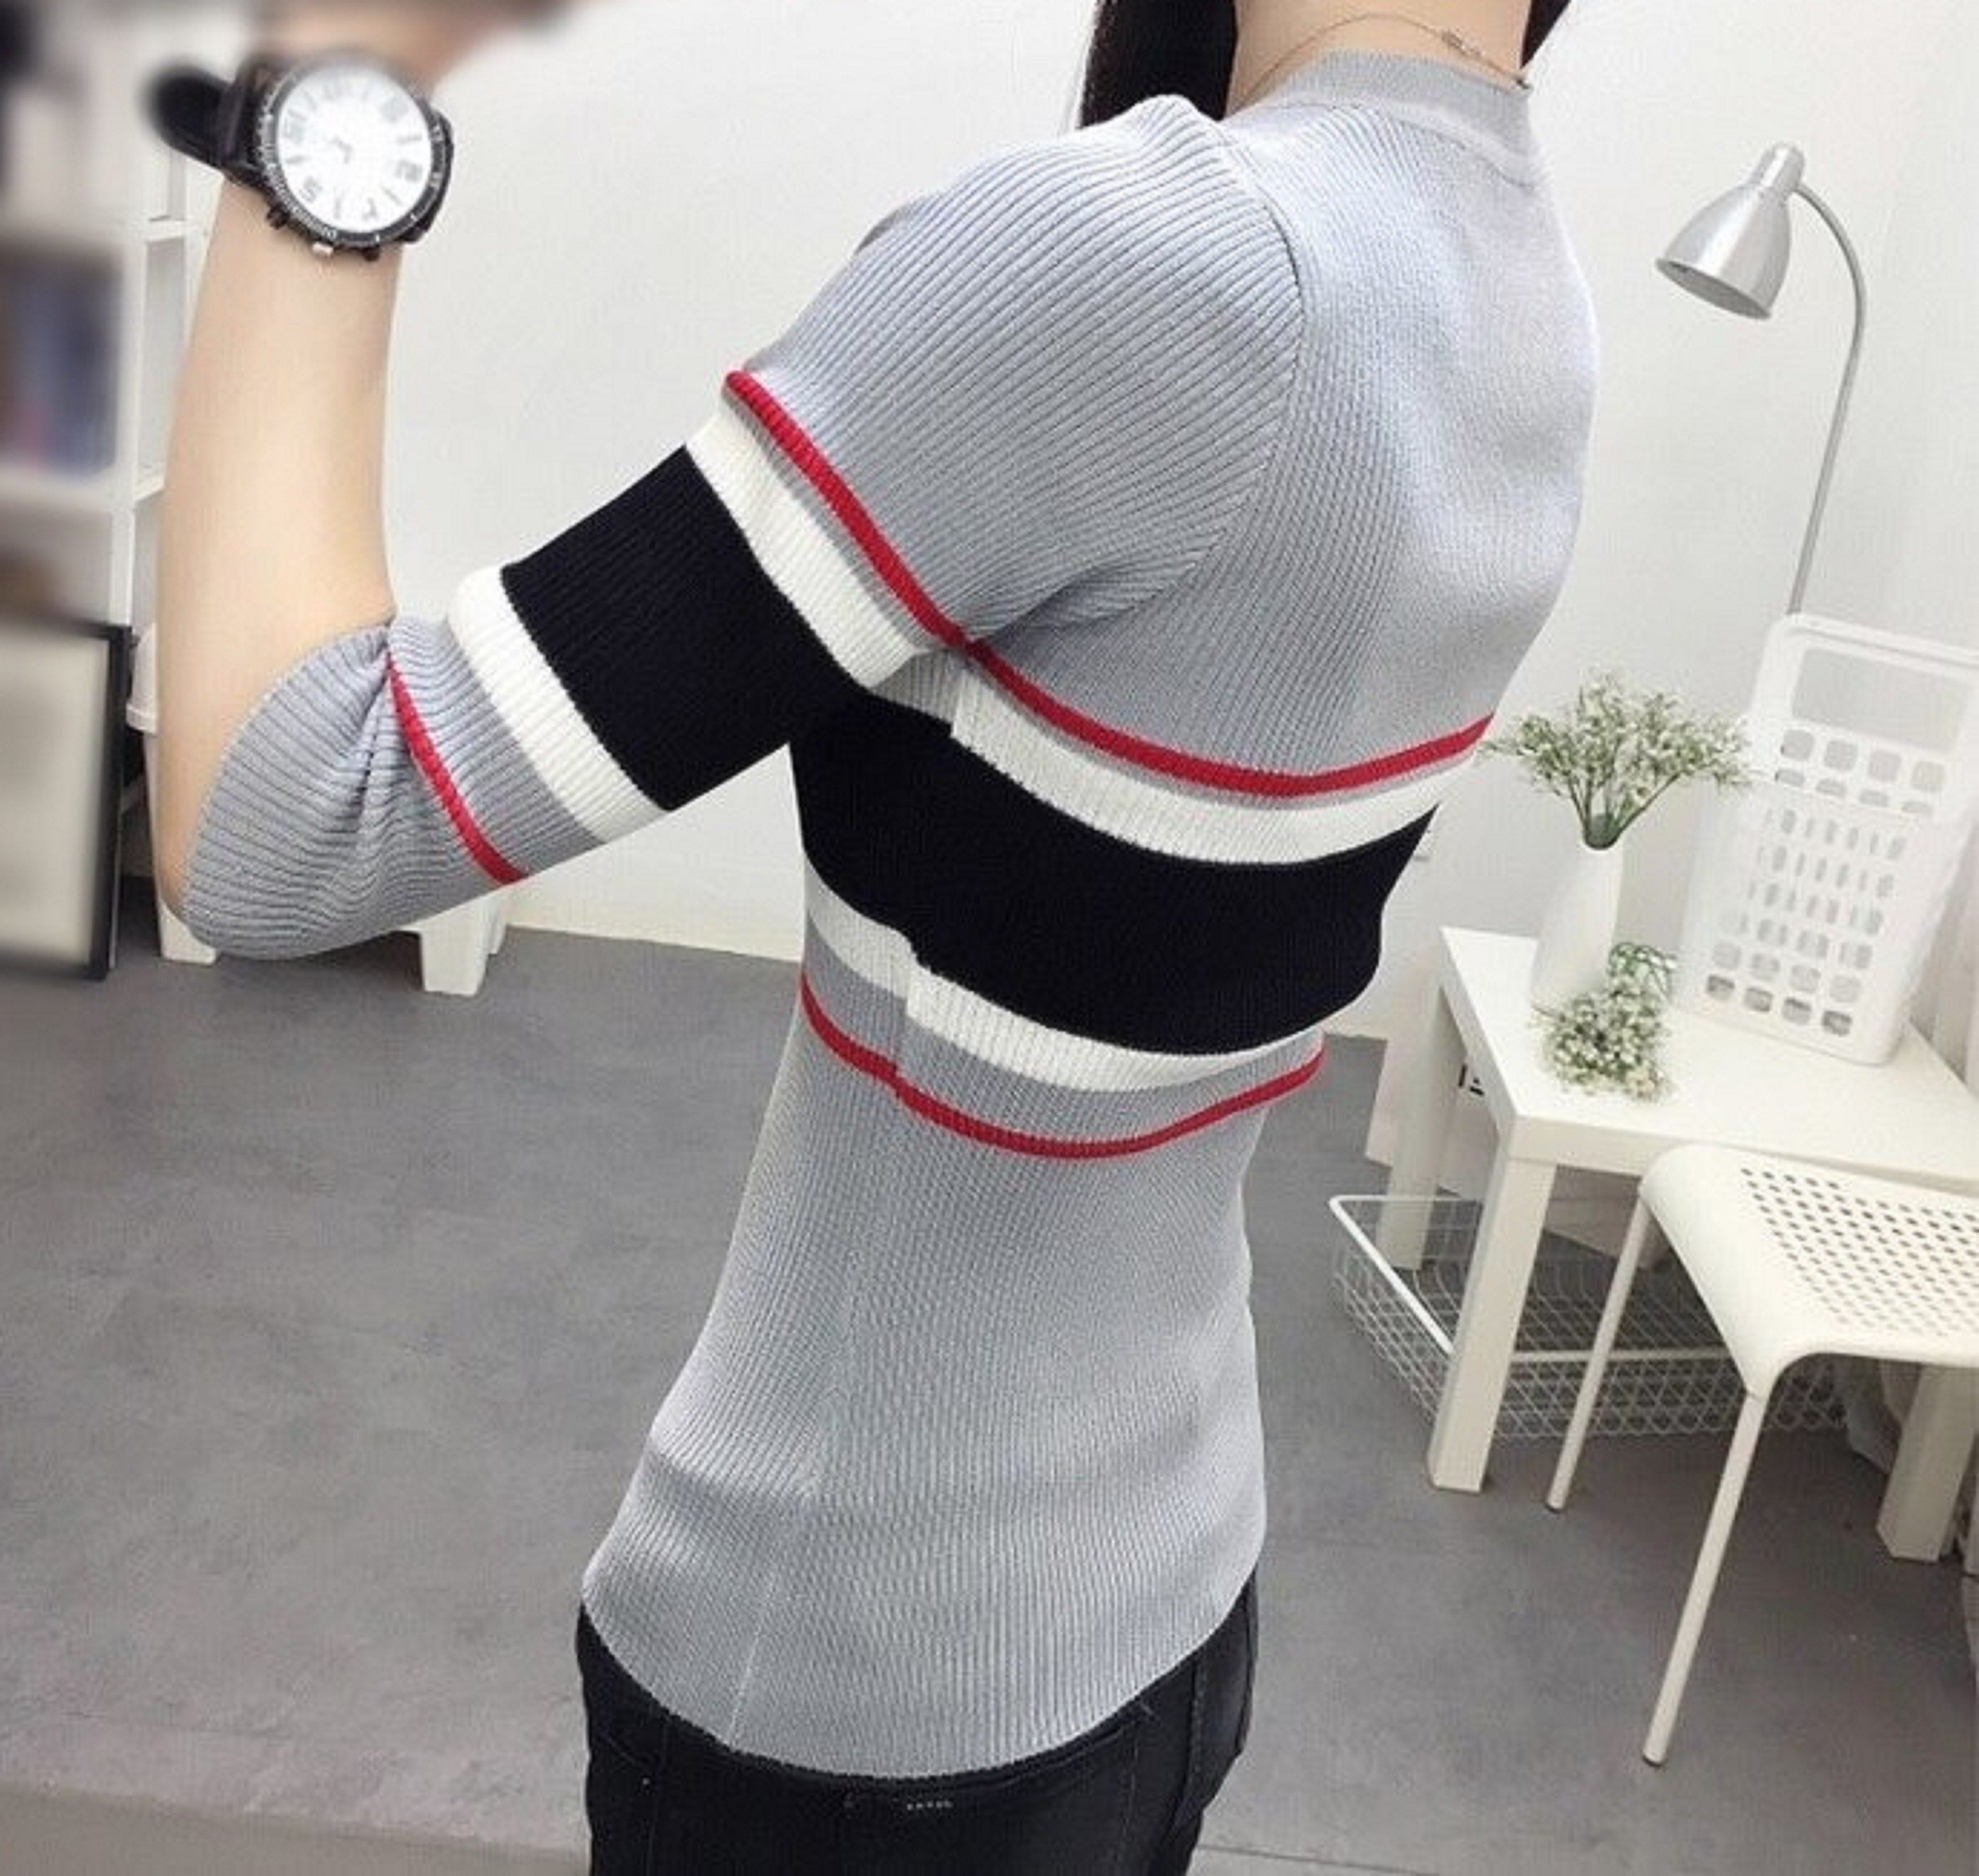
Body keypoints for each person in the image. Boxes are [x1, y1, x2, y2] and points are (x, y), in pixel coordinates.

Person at [155, 0, 1592, 1869]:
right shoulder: (1522, 283)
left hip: (853, 1687)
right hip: (1168, 1610)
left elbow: (280, 812)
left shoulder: (1129, 269)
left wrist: (336, 85)